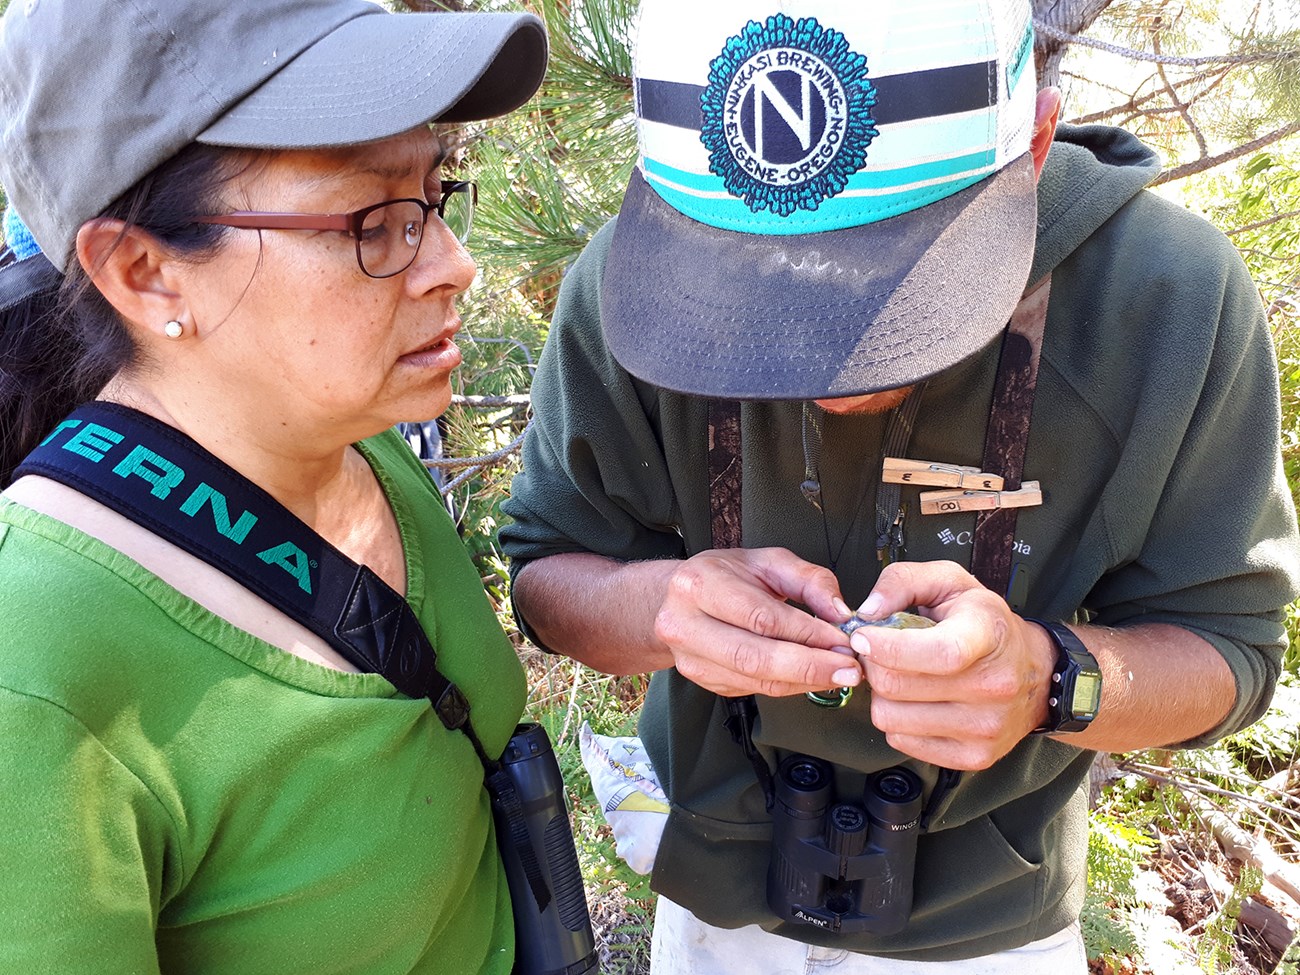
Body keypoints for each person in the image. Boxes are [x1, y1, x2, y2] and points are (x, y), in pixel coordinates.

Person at [499, 0, 1300, 969]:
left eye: (888, 292)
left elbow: (1232, 654)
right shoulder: (637, 284)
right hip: (715, 902)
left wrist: (1050, 679)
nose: (815, 362)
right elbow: (545, 575)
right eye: (754, 295)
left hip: (990, 927)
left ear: (1035, 143)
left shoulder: (1167, 305)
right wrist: (657, 609)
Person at [0, 2, 548, 972]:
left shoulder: (354, 442)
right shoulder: (35, 662)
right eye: (374, 221)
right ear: (146, 273)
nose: (455, 265)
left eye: (436, 194)